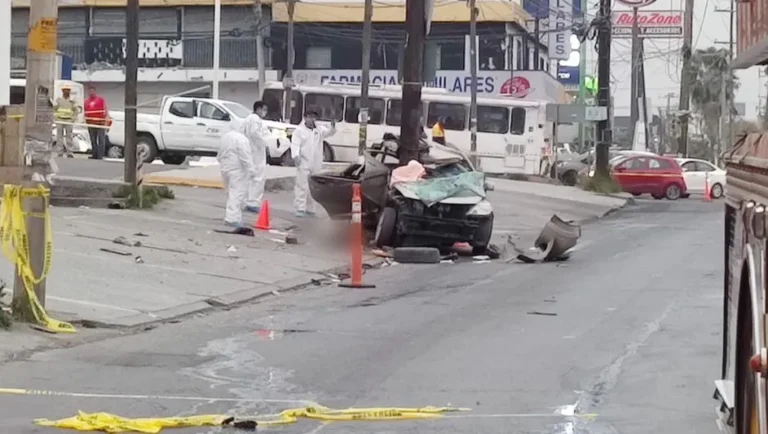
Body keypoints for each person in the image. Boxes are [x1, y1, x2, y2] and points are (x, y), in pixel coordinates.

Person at [291, 109, 336, 217]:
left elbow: (330, 132)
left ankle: (311, 209)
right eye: (310, 117)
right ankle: (300, 208)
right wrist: (296, 156)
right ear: (305, 117)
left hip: (316, 163)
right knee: (302, 186)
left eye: (314, 117)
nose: (312, 119)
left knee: (313, 186)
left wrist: (333, 125)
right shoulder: (299, 131)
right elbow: (295, 144)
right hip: (304, 162)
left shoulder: (319, 130)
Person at [217, 128, 257, 227]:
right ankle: (232, 218)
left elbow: (219, 154)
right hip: (237, 169)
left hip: (225, 167)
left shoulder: (225, 137)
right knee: (236, 193)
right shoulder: (242, 139)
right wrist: (251, 169)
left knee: (230, 193)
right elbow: (245, 156)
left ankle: (234, 216)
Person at [242, 101, 271, 213]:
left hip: (251, 150)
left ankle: (247, 201)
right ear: (258, 109)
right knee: (258, 177)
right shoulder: (255, 119)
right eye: (264, 109)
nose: (265, 112)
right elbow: (255, 133)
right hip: (256, 151)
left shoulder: (248, 119)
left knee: (250, 176)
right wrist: (265, 144)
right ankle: (253, 202)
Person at [54, 86, 80, 158]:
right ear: (63, 91)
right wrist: (56, 118)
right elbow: (54, 109)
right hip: (60, 120)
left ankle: (70, 152)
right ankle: (60, 152)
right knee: (59, 137)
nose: (66, 92)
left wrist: (73, 119)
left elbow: (76, 111)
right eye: (65, 90)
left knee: (69, 137)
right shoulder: (58, 100)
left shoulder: (72, 101)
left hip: (69, 121)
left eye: (68, 90)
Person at [84, 85, 108, 160]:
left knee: (101, 139)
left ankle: (100, 155)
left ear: (95, 91)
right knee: (93, 140)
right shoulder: (86, 102)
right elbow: (85, 112)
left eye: (92, 91)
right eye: (90, 91)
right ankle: (94, 154)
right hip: (91, 123)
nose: (91, 92)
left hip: (100, 123)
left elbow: (105, 110)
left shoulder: (100, 100)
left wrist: (105, 120)